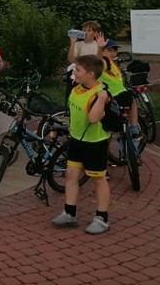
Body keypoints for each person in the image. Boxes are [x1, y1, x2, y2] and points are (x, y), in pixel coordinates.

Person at [52, 54, 112, 235]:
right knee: (71, 175)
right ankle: (69, 213)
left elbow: (93, 118)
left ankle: (102, 218)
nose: (74, 73)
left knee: (98, 179)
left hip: (95, 143)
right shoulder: (77, 87)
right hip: (77, 140)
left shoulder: (100, 94)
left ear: (90, 74)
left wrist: (101, 99)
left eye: (78, 70)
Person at [97, 37, 141, 137]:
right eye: (109, 50)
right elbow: (98, 63)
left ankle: (133, 129)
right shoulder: (104, 61)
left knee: (132, 100)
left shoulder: (113, 63)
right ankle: (134, 128)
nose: (113, 53)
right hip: (112, 96)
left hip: (120, 94)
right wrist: (99, 48)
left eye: (115, 51)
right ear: (103, 51)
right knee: (132, 101)